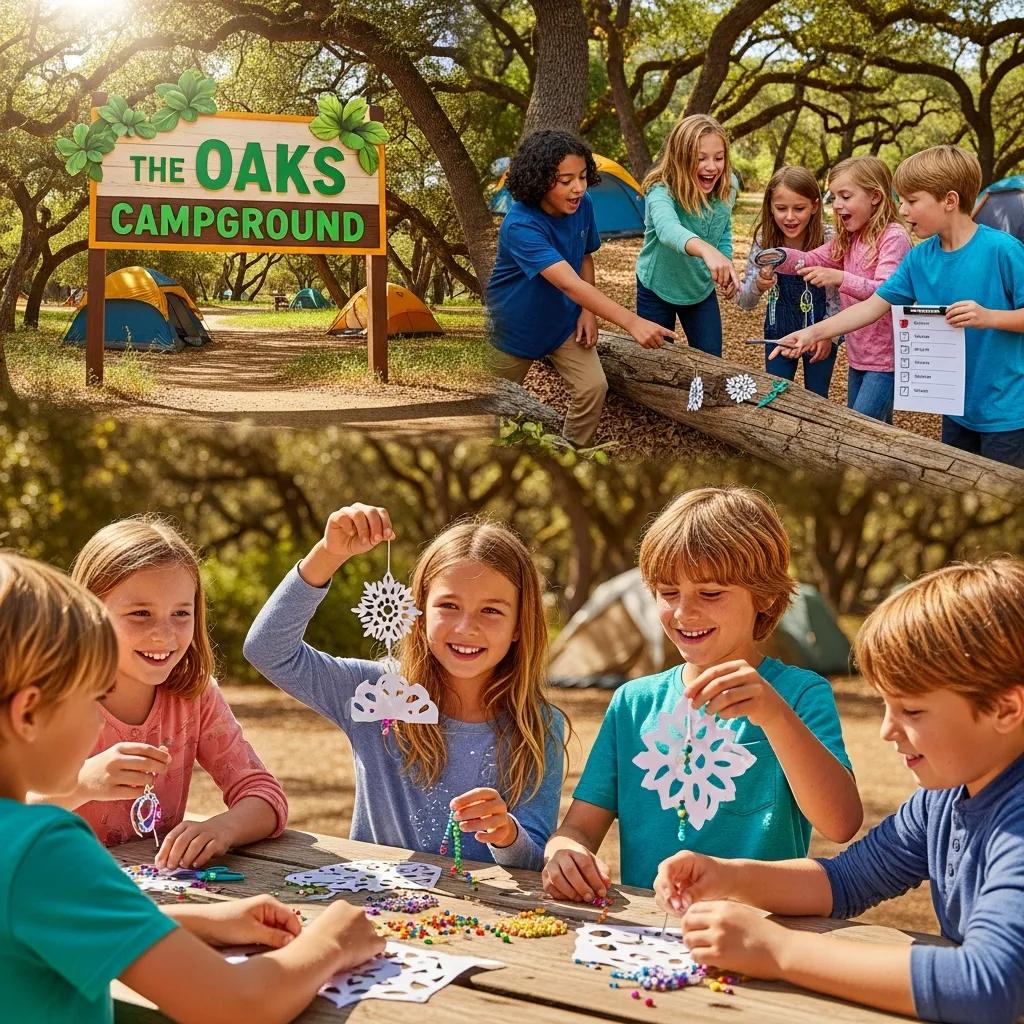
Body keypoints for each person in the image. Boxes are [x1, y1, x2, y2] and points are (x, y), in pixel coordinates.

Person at [0, 552, 383, 1024]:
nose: (100, 714)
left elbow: (45, 918)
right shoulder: (42, 849)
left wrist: (200, 922)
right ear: (28, 713)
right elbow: (238, 1007)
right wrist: (331, 943)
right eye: (88, 694)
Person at [654, 558, 1024, 1024]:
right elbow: (845, 881)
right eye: (886, 707)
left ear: (1006, 709)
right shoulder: (945, 798)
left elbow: (985, 985)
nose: (889, 731)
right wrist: (730, 877)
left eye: (912, 711)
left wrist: (779, 950)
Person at [542, 487, 861, 898]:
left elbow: (841, 824)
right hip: (651, 937)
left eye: (710, 593)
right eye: (667, 593)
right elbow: (580, 828)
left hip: (762, 933)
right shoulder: (633, 703)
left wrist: (774, 717)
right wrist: (565, 853)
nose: (683, 612)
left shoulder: (801, 695)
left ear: (765, 596)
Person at [244, 505, 566, 870]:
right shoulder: (374, 693)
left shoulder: (537, 725)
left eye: (491, 611)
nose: (466, 627)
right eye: (448, 605)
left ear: (520, 625)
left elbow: (536, 859)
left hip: (481, 916)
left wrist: (507, 834)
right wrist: (329, 554)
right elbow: (267, 649)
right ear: (419, 612)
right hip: (374, 906)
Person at [32, 517, 288, 870]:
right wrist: (82, 783)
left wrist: (221, 829)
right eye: (140, 613)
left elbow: (266, 796)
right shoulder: (45, 699)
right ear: (88, 611)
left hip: (153, 900)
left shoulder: (194, 697)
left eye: (181, 613)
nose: (164, 634)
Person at [774, 145, 1024, 468]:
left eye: (911, 201)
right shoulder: (920, 259)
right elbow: (871, 307)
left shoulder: (1003, 251)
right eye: (900, 200)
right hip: (956, 410)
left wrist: (989, 316)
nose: (902, 210)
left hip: (1007, 414)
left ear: (949, 200)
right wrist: (809, 333)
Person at [487, 129, 676, 447]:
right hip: (510, 333)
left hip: (562, 325)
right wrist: (633, 322)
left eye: (583, 177)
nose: (578, 188)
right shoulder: (520, 225)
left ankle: (572, 454)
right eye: (565, 181)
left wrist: (587, 312)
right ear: (539, 180)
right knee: (490, 415)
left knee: (592, 388)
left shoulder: (583, 204)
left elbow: (584, 255)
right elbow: (569, 284)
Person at [769, 155, 912, 422]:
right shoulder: (850, 237)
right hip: (859, 356)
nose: (836, 206)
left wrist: (840, 277)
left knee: (858, 426)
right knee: (873, 429)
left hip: (887, 360)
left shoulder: (893, 237)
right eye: (833, 198)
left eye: (845, 196)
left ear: (875, 197)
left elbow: (885, 292)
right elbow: (811, 259)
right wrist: (776, 256)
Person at [635, 113, 742, 358]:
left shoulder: (728, 186)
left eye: (719, 158)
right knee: (658, 361)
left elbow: (722, 228)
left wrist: (724, 264)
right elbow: (666, 229)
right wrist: (707, 250)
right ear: (680, 158)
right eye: (700, 158)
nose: (712, 166)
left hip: (699, 289)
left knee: (711, 361)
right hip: (657, 288)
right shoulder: (660, 190)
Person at [737, 165, 841, 397]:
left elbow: (840, 296)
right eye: (781, 208)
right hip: (779, 333)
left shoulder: (829, 239)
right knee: (777, 395)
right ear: (770, 207)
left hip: (820, 333)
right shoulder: (765, 241)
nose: (790, 217)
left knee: (816, 398)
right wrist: (758, 285)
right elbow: (744, 301)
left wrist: (829, 336)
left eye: (799, 208)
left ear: (814, 206)